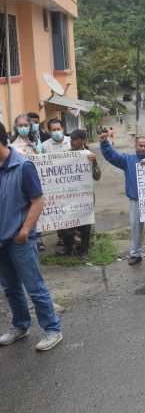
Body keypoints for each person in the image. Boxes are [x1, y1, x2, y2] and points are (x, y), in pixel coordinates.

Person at [0, 121, 63, 351]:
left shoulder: (23, 166)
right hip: (1, 242)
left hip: (19, 240)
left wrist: (25, 230)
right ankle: (20, 325)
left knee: (34, 287)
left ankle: (52, 329)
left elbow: (38, 202)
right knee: (10, 288)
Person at [100, 132, 145, 265]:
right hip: (136, 200)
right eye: (141, 146)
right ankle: (135, 254)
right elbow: (112, 156)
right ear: (135, 146)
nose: (143, 148)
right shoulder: (128, 160)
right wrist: (104, 143)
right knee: (136, 228)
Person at [58, 130, 101, 260]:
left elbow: (97, 176)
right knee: (67, 223)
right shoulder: (66, 155)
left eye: (75, 139)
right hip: (69, 196)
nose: (72, 141)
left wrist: (94, 163)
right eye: (71, 139)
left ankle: (84, 251)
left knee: (85, 224)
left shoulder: (89, 155)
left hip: (85, 195)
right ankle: (68, 248)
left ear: (83, 140)